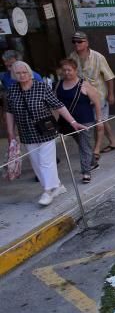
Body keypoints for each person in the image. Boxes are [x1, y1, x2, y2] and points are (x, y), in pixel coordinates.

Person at [4, 61, 86, 205]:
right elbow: (9, 112)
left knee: (46, 162)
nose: (22, 75)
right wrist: (10, 132)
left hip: (45, 129)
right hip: (27, 133)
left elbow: (58, 105)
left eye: (24, 72)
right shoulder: (12, 91)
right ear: (14, 75)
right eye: (18, 73)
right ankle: (57, 186)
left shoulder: (41, 87)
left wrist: (73, 122)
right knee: (36, 163)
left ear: (30, 73)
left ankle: (48, 191)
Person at [68, 31, 115, 155]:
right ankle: (113, 141)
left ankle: (95, 150)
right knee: (101, 120)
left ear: (86, 43)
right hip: (82, 95)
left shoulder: (98, 57)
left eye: (80, 41)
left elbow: (109, 76)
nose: (76, 44)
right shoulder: (72, 57)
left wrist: (111, 94)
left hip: (99, 94)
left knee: (98, 121)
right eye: (74, 41)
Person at [55, 58, 102, 183]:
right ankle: (93, 162)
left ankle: (86, 172)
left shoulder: (84, 84)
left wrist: (99, 119)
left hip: (85, 120)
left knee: (84, 146)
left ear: (75, 70)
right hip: (67, 122)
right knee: (82, 144)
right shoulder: (58, 84)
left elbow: (97, 101)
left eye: (69, 70)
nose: (67, 72)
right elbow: (55, 104)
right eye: (64, 70)